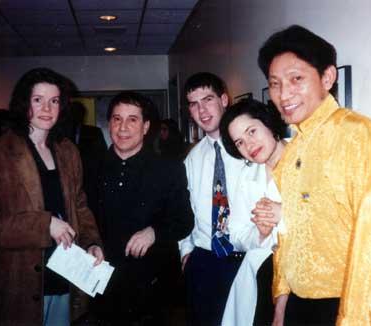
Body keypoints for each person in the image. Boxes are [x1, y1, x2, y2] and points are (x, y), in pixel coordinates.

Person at [257, 25, 371, 325]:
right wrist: (281, 304)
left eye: (296, 79)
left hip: (348, 307)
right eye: (275, 84)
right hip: (300, 307)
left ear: (327, 77)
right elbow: (289, 235)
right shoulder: (294, 147)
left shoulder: (359, 136)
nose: (283, 94)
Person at [0, 67, 104, 326]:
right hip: (18, 281)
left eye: (54, 101)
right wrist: (44, 224)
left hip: (64, 274)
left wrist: (91, 242)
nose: (47, 108)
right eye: (38, 99)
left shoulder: (67, 151)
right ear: (24, 103)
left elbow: (80, 206)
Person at [178, 73, 273, 326]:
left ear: (223, 99)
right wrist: (186, 251)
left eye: (208, 99)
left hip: (247, 258)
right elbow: (183, 211)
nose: (202, 110)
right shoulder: (191, 159)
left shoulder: (251, 151)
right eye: (194, 103)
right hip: (203, 263)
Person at [93, 91, 193, 325]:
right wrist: (90, 243)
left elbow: (184, 220)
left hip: (152, 287)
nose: (123, 127)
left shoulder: (168, 169)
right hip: (102, 283)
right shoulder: (92, 167)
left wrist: (154, 232)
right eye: (117, 119)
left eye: (132, 119)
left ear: (146, 126)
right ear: (109, 124)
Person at [219, 98, 287, 326]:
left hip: (302, 276)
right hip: (260, 275)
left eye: (252, 131)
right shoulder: (246, 177)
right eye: (239, 142)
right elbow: (236, 236)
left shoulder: (305, 159)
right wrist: (260, 233)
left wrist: (283, 214)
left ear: (268, 123)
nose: (248, 145)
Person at [67, 101, 107, 230]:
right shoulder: (62, 133)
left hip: (91, 181)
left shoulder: (94, 132)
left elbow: (103, 157)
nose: (75, 116)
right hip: (71, 183)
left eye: (78, 113)